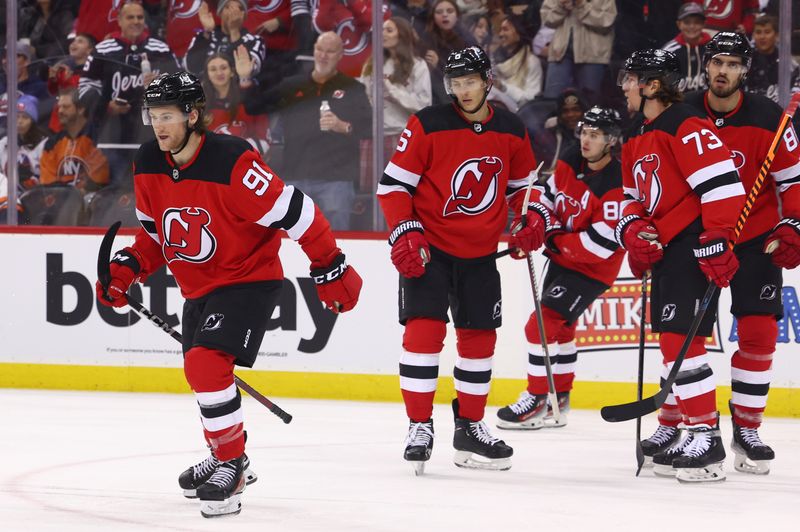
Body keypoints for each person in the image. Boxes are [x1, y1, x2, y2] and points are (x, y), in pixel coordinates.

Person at [94, 71, 362, 518]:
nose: (158, 126)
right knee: (202, 373)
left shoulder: (234, 161)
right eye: (153, 115)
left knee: (206, 363)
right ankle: (225, 455)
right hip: (199, 285)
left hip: (248, 278)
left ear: (193, 115)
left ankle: (231, 465)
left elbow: (299, 213)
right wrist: (128, 266)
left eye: (168, 116)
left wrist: (329, 265)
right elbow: (157, 236)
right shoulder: (148, 162)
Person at [377, 46, 539, 473]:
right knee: (424, 335)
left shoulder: (511, 128)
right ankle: (418, 426)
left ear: (487, 81)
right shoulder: (428, 124)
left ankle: (470, 426)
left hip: (481, 255)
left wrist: (529, 219)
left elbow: (524, 188)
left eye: (470, 81)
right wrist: (405, 230)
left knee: (479, 342)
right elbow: (393, 187)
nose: (463, 91)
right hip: (429, 250)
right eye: (456, 83)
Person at [616, 48, 745, 483]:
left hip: (691, 245)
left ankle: (705, 436)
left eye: (631, 79)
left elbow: (723, 183)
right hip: (668, 248)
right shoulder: (636, 134)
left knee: (679, 340)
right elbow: (631, 199)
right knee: (673, 340)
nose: (625, 86)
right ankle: (682, 428)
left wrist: (716, 239)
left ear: (652, 85)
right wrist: (632, 232)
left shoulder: (685, 124)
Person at [675, 31, 800, 476]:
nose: (723, 71)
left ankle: (747, 428)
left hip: (754, 240)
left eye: (732, 63)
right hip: (700, 239)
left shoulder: (769, 117)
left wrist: (793, 224)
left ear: (745, 69)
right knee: (685, 335)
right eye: (716, 62)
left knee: (759, 333)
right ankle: (679, 423)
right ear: (705, 67)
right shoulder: (684, 114)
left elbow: (791, 182)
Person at [496, 106, 626, 430]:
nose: (586, 139)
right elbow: (547, 196)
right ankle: (560, 398)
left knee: (538, 326)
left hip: (592, 270)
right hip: (563, 259)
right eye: (585, 132)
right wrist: (538, 225)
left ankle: (538, 399)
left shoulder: (616, 184)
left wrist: (552, 238)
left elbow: (601, 244)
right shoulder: (571, 156)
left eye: (595, 135)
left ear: (610, 140)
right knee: (561, 328)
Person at [242, 32, 372, 230]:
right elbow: (254, 106)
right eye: (319, 49)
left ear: (340, 55)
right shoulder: (292, 85)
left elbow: (369, 128)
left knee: (338, 243)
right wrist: (245, 79)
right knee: (293, 243)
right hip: (296, 177)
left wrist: (344, 126)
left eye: (330, 51)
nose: (323, 55)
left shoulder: (353, 88)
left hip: (336, 180)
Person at [79, 1, 179, 179]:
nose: (136, 21)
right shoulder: (103, 50)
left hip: (152, 136)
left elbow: (180, 85)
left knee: (153, 189)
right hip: (112, 138)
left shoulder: (160, 49)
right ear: (119, 20)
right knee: (117, 194)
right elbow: (85, 90)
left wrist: (162, 84)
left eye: (140, 17)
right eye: (130, 17)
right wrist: (106, 107)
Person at [360, 17, 432, 191]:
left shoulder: (418, 65)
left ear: (403, 35)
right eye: (382, 29)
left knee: (400, 190)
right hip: (373, 136)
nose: (383, 34)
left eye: (389, 30)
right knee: (372, 194)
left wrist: (392, 90)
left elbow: (424, 104)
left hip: (401, 135)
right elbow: (362, 94)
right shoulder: (372, 63)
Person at [540, 0, 617, 103]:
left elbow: (607, 21)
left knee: (589, 103)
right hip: (560, 53)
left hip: (592, 56)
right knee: (552, 101)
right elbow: (546, 18)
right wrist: (560, 5)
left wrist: (581, 5)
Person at [39, 88, 109, 194]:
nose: (60, 111)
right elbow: (48, 186)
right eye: (59, 107)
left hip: (94, 204)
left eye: (66, 107)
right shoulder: (51, 145)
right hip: (62, 205)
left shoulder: (97, 139)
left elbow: (98, 182)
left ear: (81, 109)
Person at [202, 53, 270, 156]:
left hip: (246, 163)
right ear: (207, 75)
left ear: (232, 72)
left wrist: (245, 77)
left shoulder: (248, 99)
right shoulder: (200, 106)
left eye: (224, 68)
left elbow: (263, 138)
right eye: (213, 69)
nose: (219, 73)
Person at [185, 0, 266, 79]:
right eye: (228, 7)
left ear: (244, 16)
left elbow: (249, 72)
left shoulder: (255, 40)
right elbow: (191, 67)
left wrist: (234, 32)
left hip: (238, 91)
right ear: (219, 13)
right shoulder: (205, 35)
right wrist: (208, 31)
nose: (233, 12)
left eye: (240, 8)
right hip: (205, 90)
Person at [744, 14, 800, 104]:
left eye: (767, 32)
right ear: (753, 35)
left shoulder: (789, 64)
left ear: (776, 35)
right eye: (758, 32)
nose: (762, 37)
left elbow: (795, 97)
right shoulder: (745, 62)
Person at [492, 15, 543, 108]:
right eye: (500, 30)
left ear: (519, 34)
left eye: (505, 29)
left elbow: (531, 98)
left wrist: (504, 88)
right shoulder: (494, 60)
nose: (501, 34)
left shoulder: (531, 62)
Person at [662, 2, 711, 93]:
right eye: (687, 22)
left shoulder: (713, 49)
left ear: (704, 24)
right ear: (679, 24)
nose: (692, 26)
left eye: (697, 22)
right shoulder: (669, 51)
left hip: (705, 103)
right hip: (678, 104)